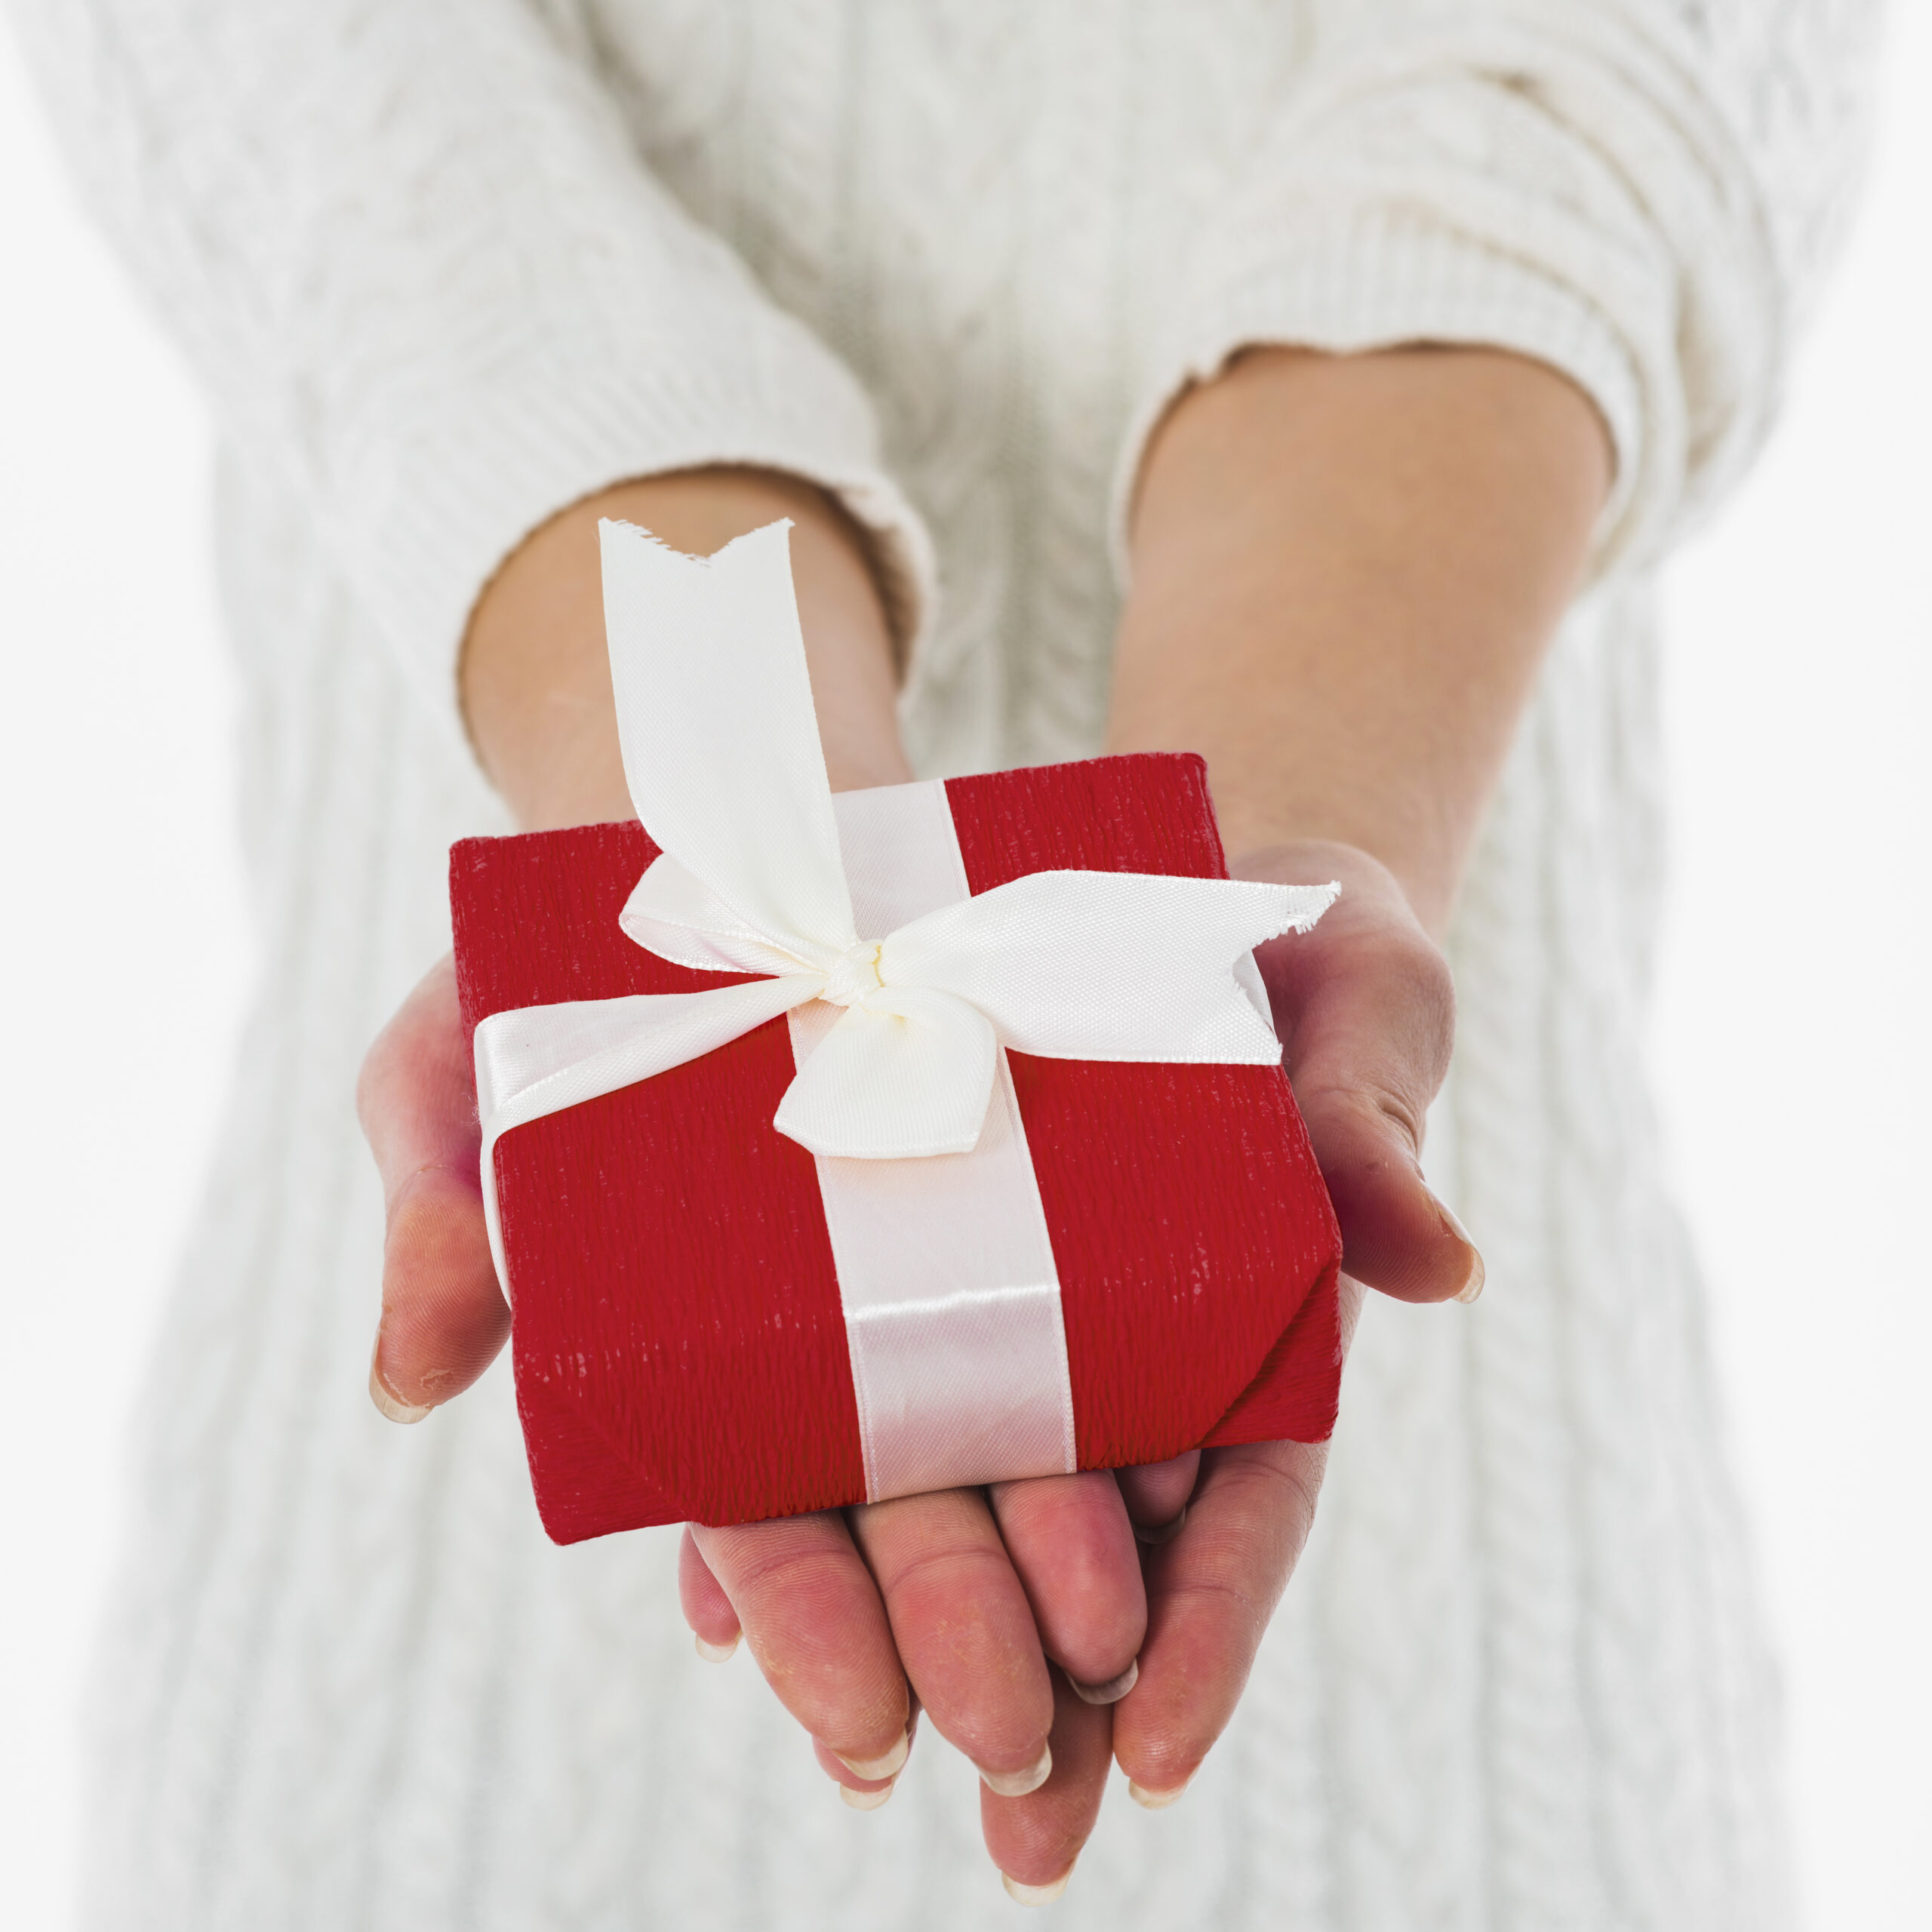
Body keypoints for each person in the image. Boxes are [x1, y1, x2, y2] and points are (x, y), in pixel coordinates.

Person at [14, 2, 1875, 1925]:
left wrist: (1263, 850)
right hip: (400, 1729)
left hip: (1484, 1685)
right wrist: (695, 802)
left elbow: (1585, 83)